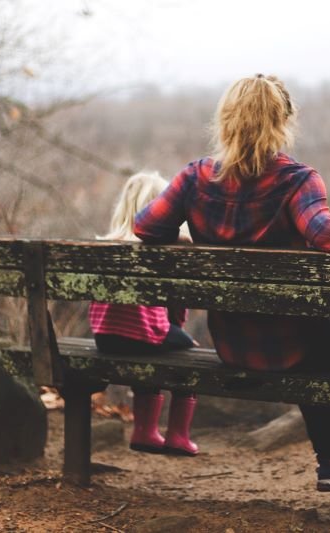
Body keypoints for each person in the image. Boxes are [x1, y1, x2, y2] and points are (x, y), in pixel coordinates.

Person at [134, 74, 330, 491]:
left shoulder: (194, 178)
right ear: (284, 121)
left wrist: (182, 237)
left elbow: (146, 227)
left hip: (232, 344)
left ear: (226, 120)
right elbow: (323, 233)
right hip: (295, 347)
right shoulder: (297, 180)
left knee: (320, 335)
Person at [89, 171, 200, 456]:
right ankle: (177, 435)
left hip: (105, 338)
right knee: (189, 354)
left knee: (151, 345)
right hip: (144, 336)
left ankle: (145, 431)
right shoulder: (161, 248)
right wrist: (177, 328)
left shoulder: (105, 245)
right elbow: (176, 305)